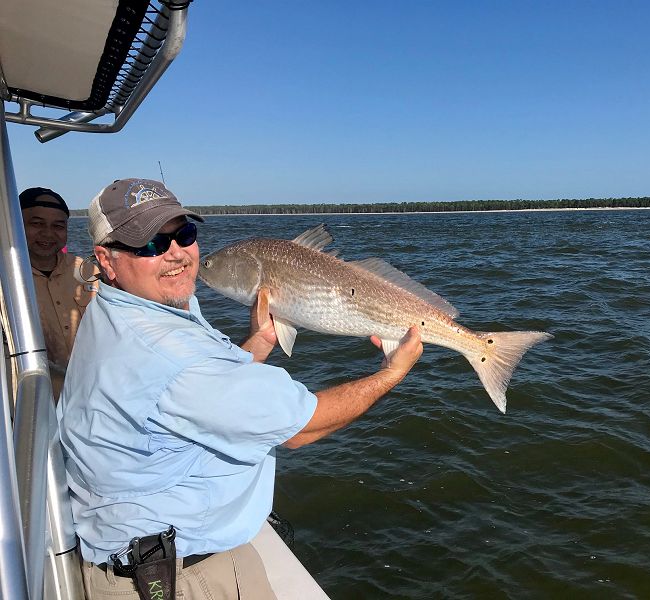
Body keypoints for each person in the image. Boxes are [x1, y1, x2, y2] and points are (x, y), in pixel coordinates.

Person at [57, 178, 423, 599]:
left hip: (153, 548)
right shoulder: (168, 353)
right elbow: (301, 430)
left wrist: (260, 342)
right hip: (176, 577)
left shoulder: (115, 308)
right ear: (107, 259)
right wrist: (391, 374)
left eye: (184, 234)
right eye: (151, 244)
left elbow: (197, 397)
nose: (176, 253)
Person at [19, 187, 98, 398]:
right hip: (29, 406)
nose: (48, 233)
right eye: (36, 224)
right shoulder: (7, 280)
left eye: (58, 226)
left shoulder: (91, 272)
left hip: (89, 399)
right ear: (16, 225)